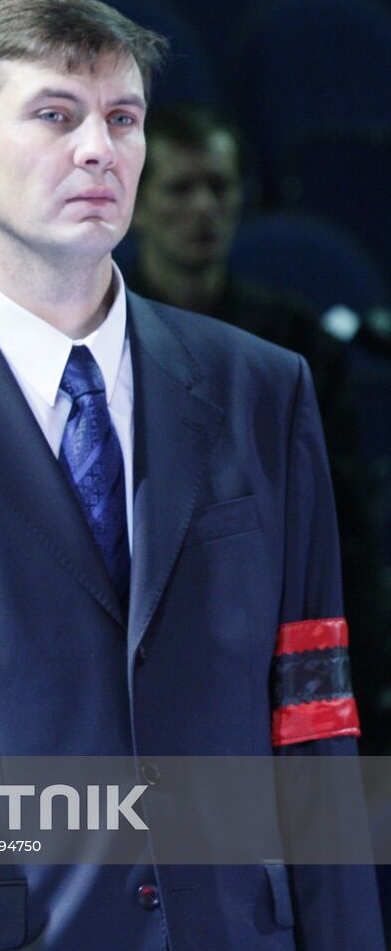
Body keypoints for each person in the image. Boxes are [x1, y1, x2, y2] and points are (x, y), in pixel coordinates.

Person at [0, 0, 385, 951]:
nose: (98, 148)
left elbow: (312, 718)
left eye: (122, 118)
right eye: (55, 115)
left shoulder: (264, 390)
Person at [127, 102, 390, 750]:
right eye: (180, 189)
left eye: (219, 187)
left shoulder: (294, 344)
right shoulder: (94, 340)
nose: (204, 208)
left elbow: (339, 528)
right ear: (135, 205)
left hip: (271, 633)